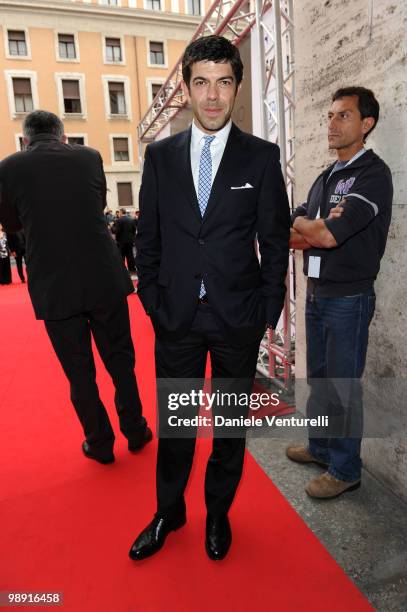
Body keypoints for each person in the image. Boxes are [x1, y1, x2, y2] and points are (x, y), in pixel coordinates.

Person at [130, 35, 290, 561]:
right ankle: (169, 512)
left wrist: (268, 309)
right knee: (176, 427)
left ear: (237, 86)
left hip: (236, 321)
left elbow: (274, 240)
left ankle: (218, 514)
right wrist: (152, 298)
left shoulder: (262, 159)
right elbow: (147, 238)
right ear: (187, 88)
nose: (214, 95)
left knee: (228, 431)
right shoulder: (160, 156)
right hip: (175, 317)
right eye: (202, 82)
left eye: (224, 82)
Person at [0, 110, 151, 464]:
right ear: (63, 136)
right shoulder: (90, 157)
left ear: (25, 139)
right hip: (102, 277)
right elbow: (96, 204)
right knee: (121, 363)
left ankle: (99, 443)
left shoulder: (8, 167)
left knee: (79, 373)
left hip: (54, 285)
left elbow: (10, 222)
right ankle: (135, 429)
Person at [286, 87, 393, 499]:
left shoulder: (372, 174)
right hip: (317, 292)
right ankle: (321, 448)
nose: (331, 123)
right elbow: (294, 234)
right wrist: (311, 225)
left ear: (366, 125)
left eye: (343, 116)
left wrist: (316, 228)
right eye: (330, 115)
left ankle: (346, 469)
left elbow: (328, 236)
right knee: (320, 380)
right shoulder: (326, 176)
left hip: (349, 297)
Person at [113, 208, 137, 274]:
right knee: (130, 255)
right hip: (130, 240)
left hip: (122, 241)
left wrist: (117, 239)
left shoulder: (118, 220)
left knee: (121, 256)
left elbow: (117, 231)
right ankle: (132, 269)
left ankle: (122, 270)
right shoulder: (131, 219)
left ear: (121, 212)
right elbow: (134, 229)